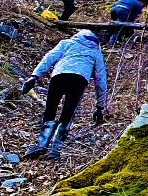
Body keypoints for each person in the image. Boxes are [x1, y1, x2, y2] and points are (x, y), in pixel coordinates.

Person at [21, 29, 108, 159]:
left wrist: (35, 76)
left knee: (50, 109)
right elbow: (101, 80)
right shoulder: (96, 53)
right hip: (79, 80)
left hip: (59, 76)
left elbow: (49, 58)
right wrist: (100, 107)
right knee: (67, 113)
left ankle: (42, 144)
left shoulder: (66, 43)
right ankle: (55, 149)